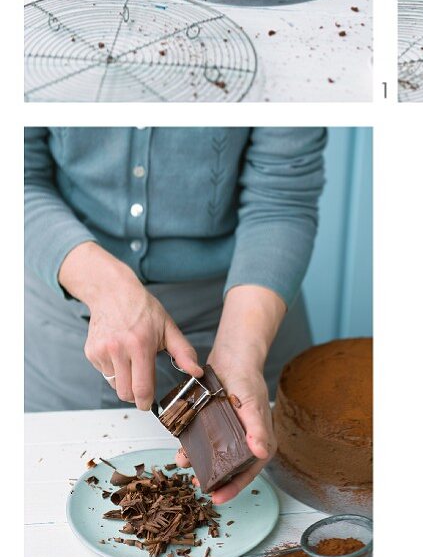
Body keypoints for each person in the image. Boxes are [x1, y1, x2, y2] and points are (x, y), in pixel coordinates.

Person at [24, 127, 326, 504]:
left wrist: (240, 353)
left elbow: (281, 201)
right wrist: (106, 287)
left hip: (243, 317)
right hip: (64, 324)